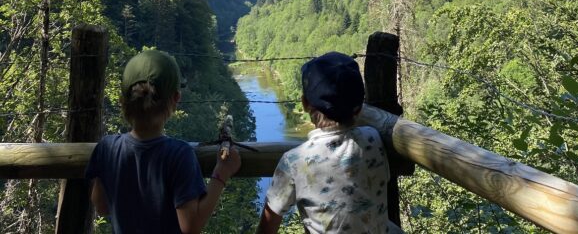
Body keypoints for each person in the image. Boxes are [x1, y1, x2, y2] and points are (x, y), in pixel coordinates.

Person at [86, 49, 241, 234]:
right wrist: (221, 174)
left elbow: (101, 206)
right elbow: (190, 227)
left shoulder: (107, 148)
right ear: (176, 99)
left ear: (122, 101)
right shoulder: (179, 154)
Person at [256, 51, 392, 234]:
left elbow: (267, 227)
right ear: (360, 109)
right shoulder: (374, 138)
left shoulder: (293, 161)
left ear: (304, 104)